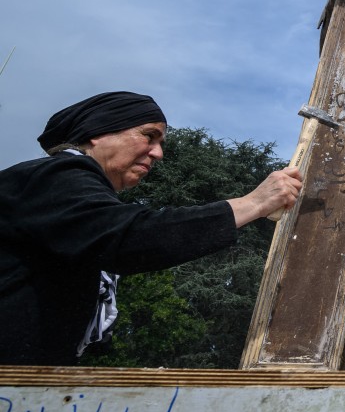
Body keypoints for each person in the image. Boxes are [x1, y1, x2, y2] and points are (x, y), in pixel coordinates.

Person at [0, 91, 303, 366]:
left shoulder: (60, 190)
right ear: (97, 132)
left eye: (160, 143)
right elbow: (128, 237)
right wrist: (253, 204)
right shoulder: (56, 176)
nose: (158, 153)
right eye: (149, 136)